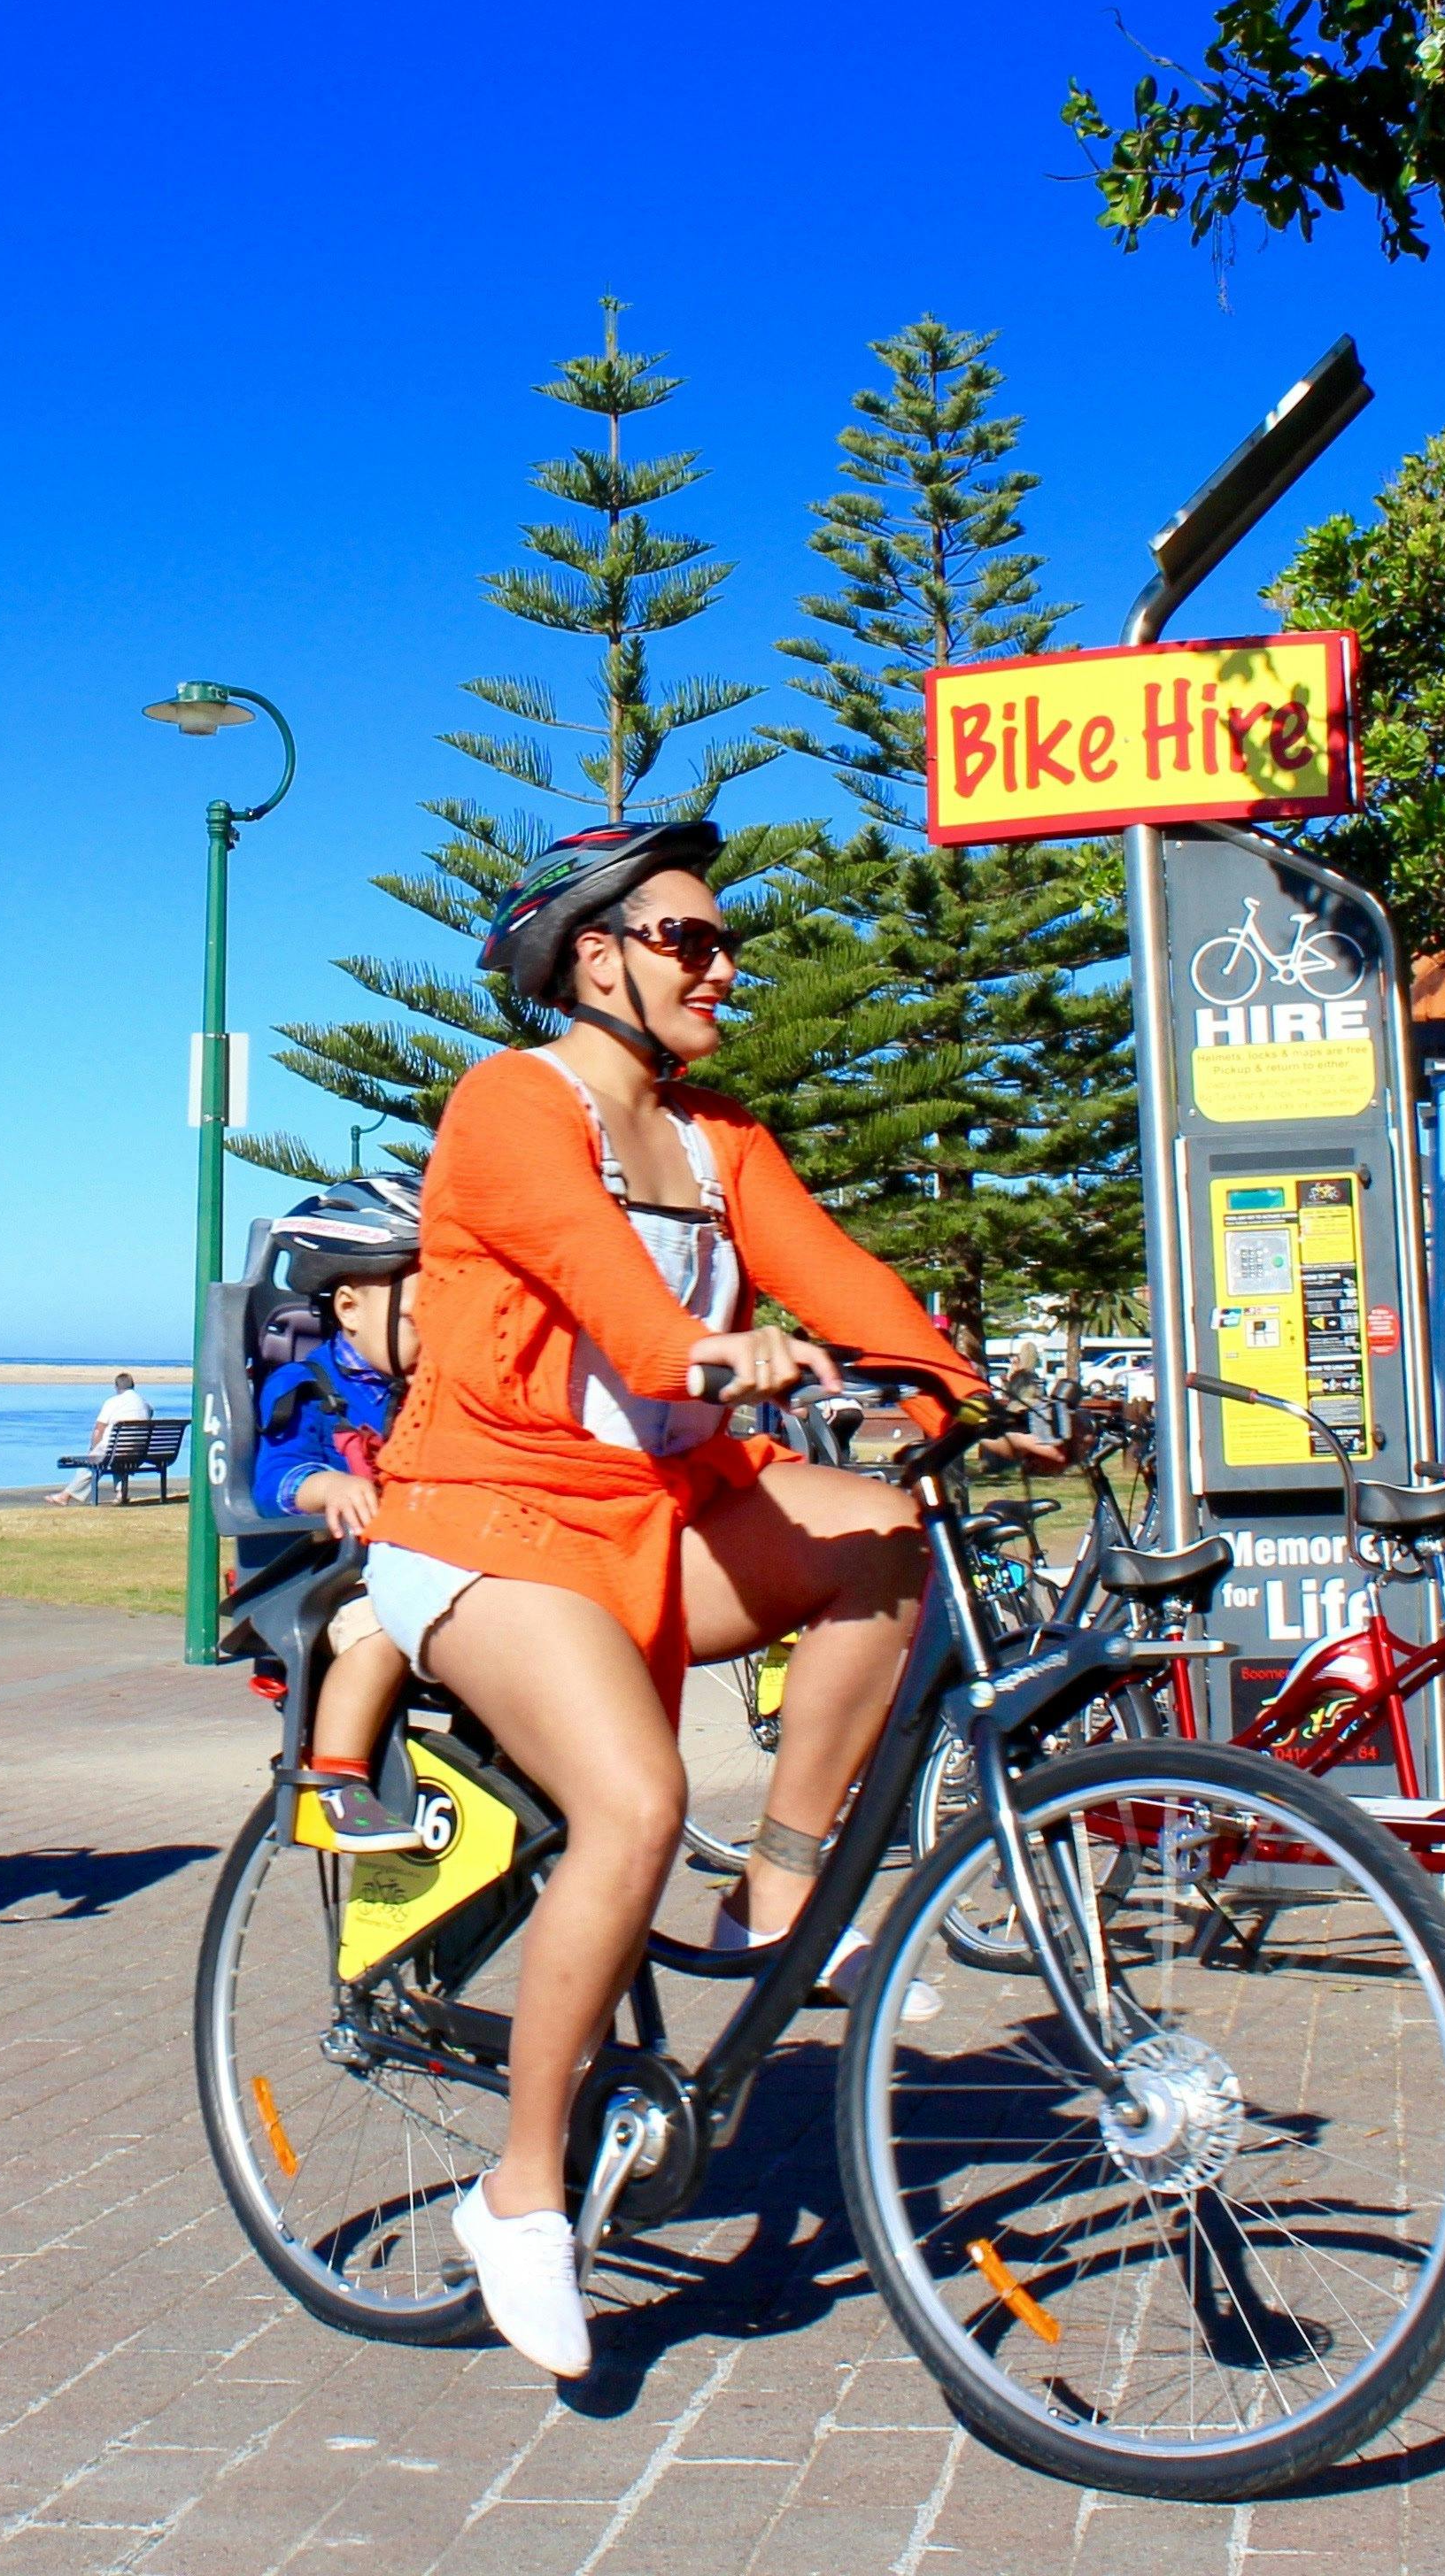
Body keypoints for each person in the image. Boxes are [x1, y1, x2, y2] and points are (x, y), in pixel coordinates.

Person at [358, 820, 985, 2379]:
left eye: (721, 938)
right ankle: (517, 2196)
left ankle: (774, 1884)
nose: (721, 964)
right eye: (685, 940)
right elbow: (607, 1288)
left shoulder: (717, 1139)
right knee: (630, 1801)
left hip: (655, 1508)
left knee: (880, 1540)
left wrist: (955, 1387)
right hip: (487, 1517)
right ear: (596, 958)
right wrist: (708, 1350)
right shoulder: (512, 1102)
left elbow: (831, 1272)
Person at [251, 1173, 428, 1852]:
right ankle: (337, 1781)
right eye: (419, 1317)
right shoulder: (307, 1386)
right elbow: (271, 1479)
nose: (434, 1334)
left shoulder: (422, 1389)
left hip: (415, 1558)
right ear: (350, 1307)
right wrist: (328, 1487)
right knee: (385, 1625)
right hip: (332, 1577)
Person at [54, 1372, 156, 1501]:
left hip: (116, 1448)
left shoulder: (113, 1402)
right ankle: (120, 1492)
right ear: (133, 1386)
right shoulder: (145, 1403)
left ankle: (66, 1496)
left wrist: (93, 1448)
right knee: (116, 1454)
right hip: (138, 1451)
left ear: (116, 1387)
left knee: (96, 1457)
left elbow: (99, 1428)